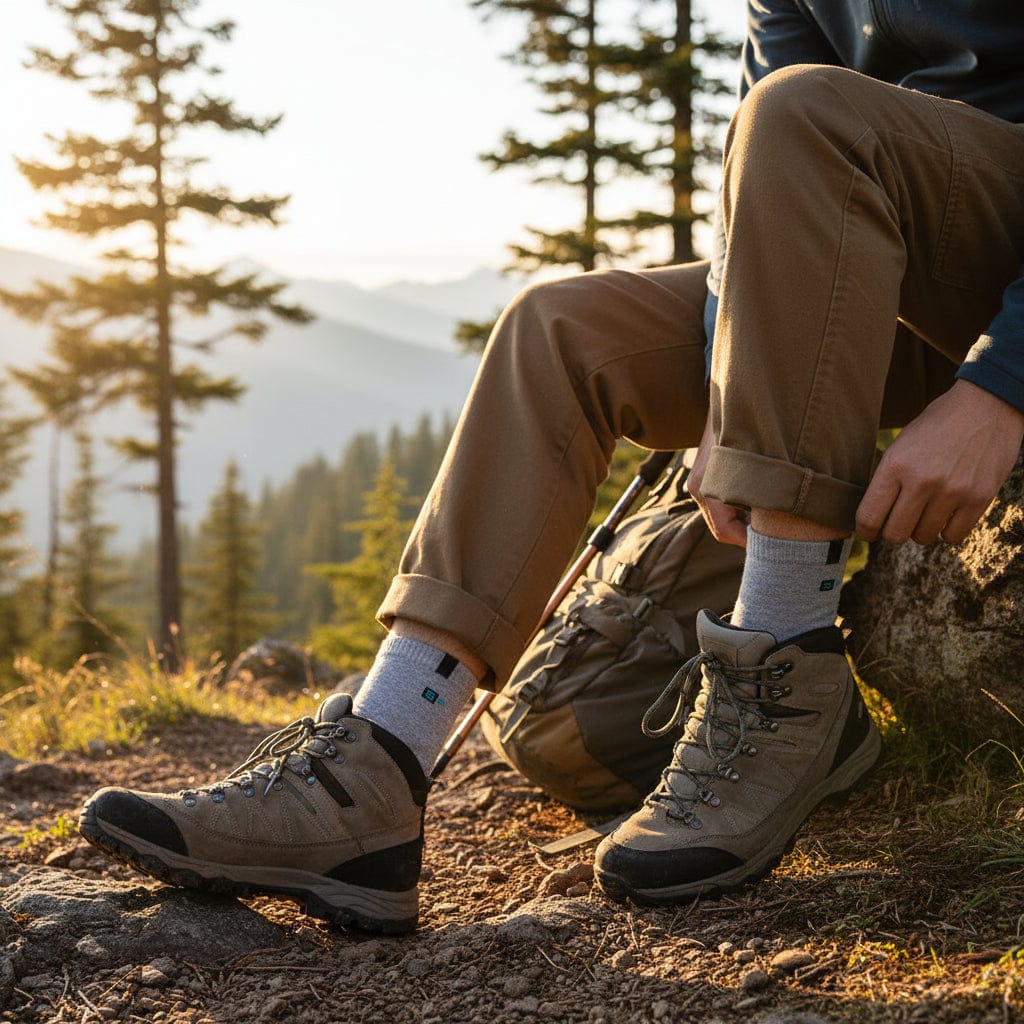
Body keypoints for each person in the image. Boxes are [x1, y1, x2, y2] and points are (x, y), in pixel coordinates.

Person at [79, 0, 1024, 933]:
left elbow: (798, 125)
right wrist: (733, 388)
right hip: (880, 261)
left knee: (801, 107)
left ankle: (786, 669)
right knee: (559, 329)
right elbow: (755, 213)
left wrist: (1001, 387)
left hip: (996, 240)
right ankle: (377, 766)